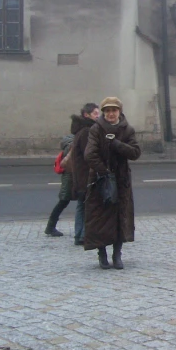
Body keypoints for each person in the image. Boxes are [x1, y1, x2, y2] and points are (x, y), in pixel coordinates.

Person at [83, 97, 141, 269]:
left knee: (119, 217)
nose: (110, 113)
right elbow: (89, 154)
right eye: (107, 110)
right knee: (99, 218)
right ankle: (102, 254)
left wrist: (117, 145)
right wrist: (104, 171)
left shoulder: (127, 130)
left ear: (119, 112)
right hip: (101, 181)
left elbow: (135, 152)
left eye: (113, 110)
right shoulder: (96, 129)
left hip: (121, 181)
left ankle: (117, 255)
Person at [70, 103, 99, 246]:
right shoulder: (87, 131)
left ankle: (79, 234)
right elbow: (89, 155)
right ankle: (82, 235)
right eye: (95, 113)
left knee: (82, 205)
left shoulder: (80, 130)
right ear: (86, 115)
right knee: (86, 205)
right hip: (85, 175)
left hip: (79, 175)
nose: (98, 116)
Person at [44, 132, 74, 237]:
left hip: (70, 177)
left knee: (64, 202)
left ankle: (50, 227)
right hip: (70, 177)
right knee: (64, 201)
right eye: (95, 113)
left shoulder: (68, 141)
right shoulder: (72, 144)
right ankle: (50, 227)